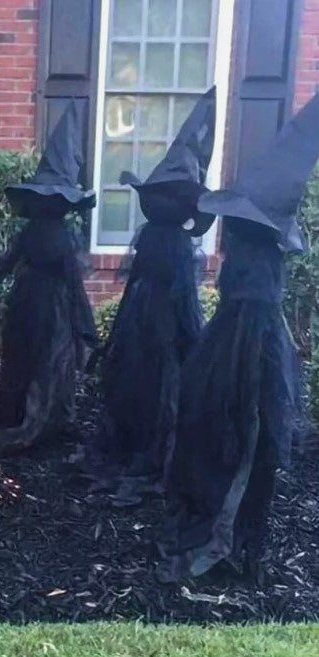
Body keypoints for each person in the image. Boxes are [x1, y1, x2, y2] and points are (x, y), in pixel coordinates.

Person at [157, 92, 319, 582]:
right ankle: (230, 533)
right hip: (232, 347)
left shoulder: (256, 261)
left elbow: (251, 318)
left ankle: (227, 538)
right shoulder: (258, 250)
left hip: (245, 356)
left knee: (240, 444)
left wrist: (242, 391)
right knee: (219, 441)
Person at [96, 88, 217, 505]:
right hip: (145, 322)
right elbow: (153, 287)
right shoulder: (159, 240)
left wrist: (191, 340)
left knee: (154, 381)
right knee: (142, 379)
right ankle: (135, 441)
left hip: (156, 324)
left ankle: (144, 443)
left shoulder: (171, 244)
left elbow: (181, 294)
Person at [0, 103, 97, 455]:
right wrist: (88, 331)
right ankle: (39, 420)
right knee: (47, 361)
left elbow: (7, 265)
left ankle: (16, 415)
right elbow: (74, 286)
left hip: (28, 300)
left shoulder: (35, 233)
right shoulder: (61, 237)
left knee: (27, 358)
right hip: (48, 305)